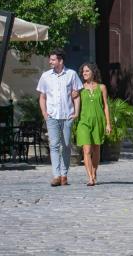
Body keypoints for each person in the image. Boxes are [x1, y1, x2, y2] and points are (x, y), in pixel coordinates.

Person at [37, 48, 83, 186]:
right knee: (54, 146)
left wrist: (76, 113)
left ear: (60, 61)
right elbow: (42, 97)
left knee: (66, 145)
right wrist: (44, 113)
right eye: (50, 59)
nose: (50, 62)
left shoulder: (71, 74)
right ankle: (57, 176)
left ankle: (64, 174)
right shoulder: (45, 76)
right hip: (52, 116)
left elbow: (76, 95)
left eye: (53, 59)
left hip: (67, 116)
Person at [76, 62, 111, 186]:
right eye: (83, 71)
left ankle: (94, 173)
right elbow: (73, 102)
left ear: (93, 72)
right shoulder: (79, 88)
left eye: (87, 71)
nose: (84, 73)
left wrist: (108, 124)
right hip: (84, 122)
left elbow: (106, 106)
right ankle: (90, 177)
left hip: (98, 121)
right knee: (87, 150)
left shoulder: (102, 87)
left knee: (96, 150)